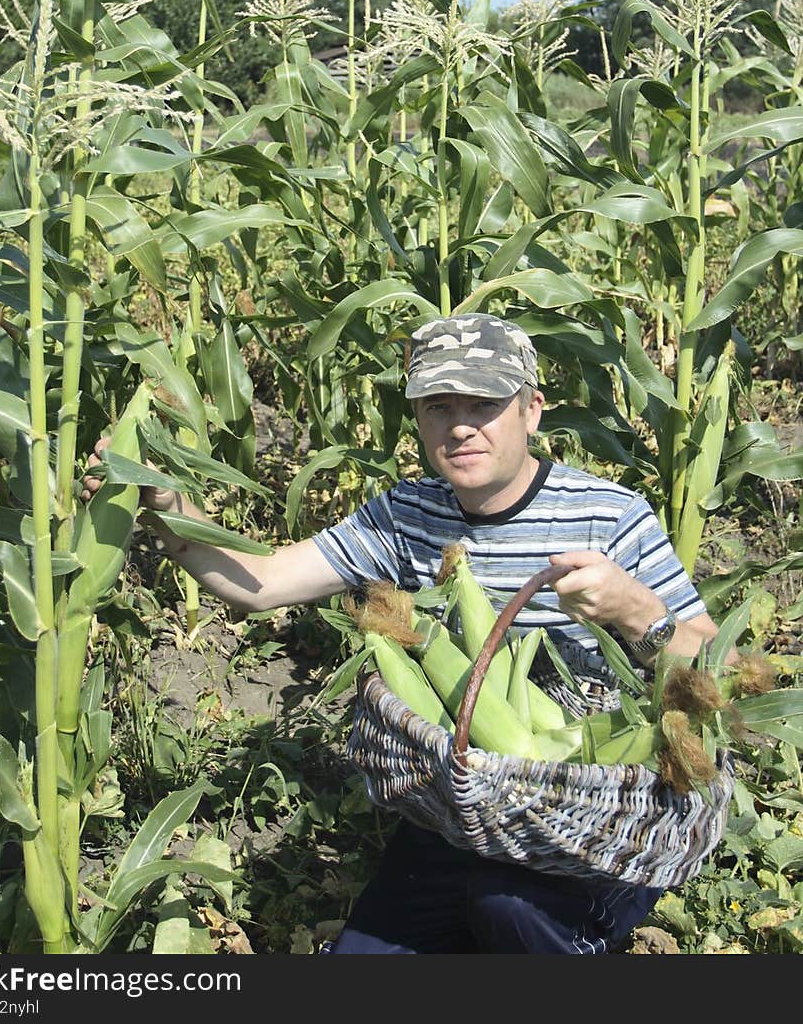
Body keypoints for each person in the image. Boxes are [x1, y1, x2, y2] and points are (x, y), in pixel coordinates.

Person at [82, 312, 719, 954]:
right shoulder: (406, 515)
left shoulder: (608, 516)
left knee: (504, 910)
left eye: (485, 404)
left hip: (595, 818)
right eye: (440, 407)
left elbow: (713, 665)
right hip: (462, 811)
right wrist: (163, 505)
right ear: (418, 419)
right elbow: (262, 580)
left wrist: (637, 610)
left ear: (532, 411)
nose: (462, 426)